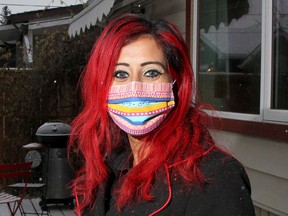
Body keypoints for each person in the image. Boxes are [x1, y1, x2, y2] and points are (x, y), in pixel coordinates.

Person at [68, 13, 255, 216]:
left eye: (152, 73)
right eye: (120, 74)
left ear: (175, 82)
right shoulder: (110, 165)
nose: (135, 89)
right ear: (101, 85)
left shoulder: (215, 177)